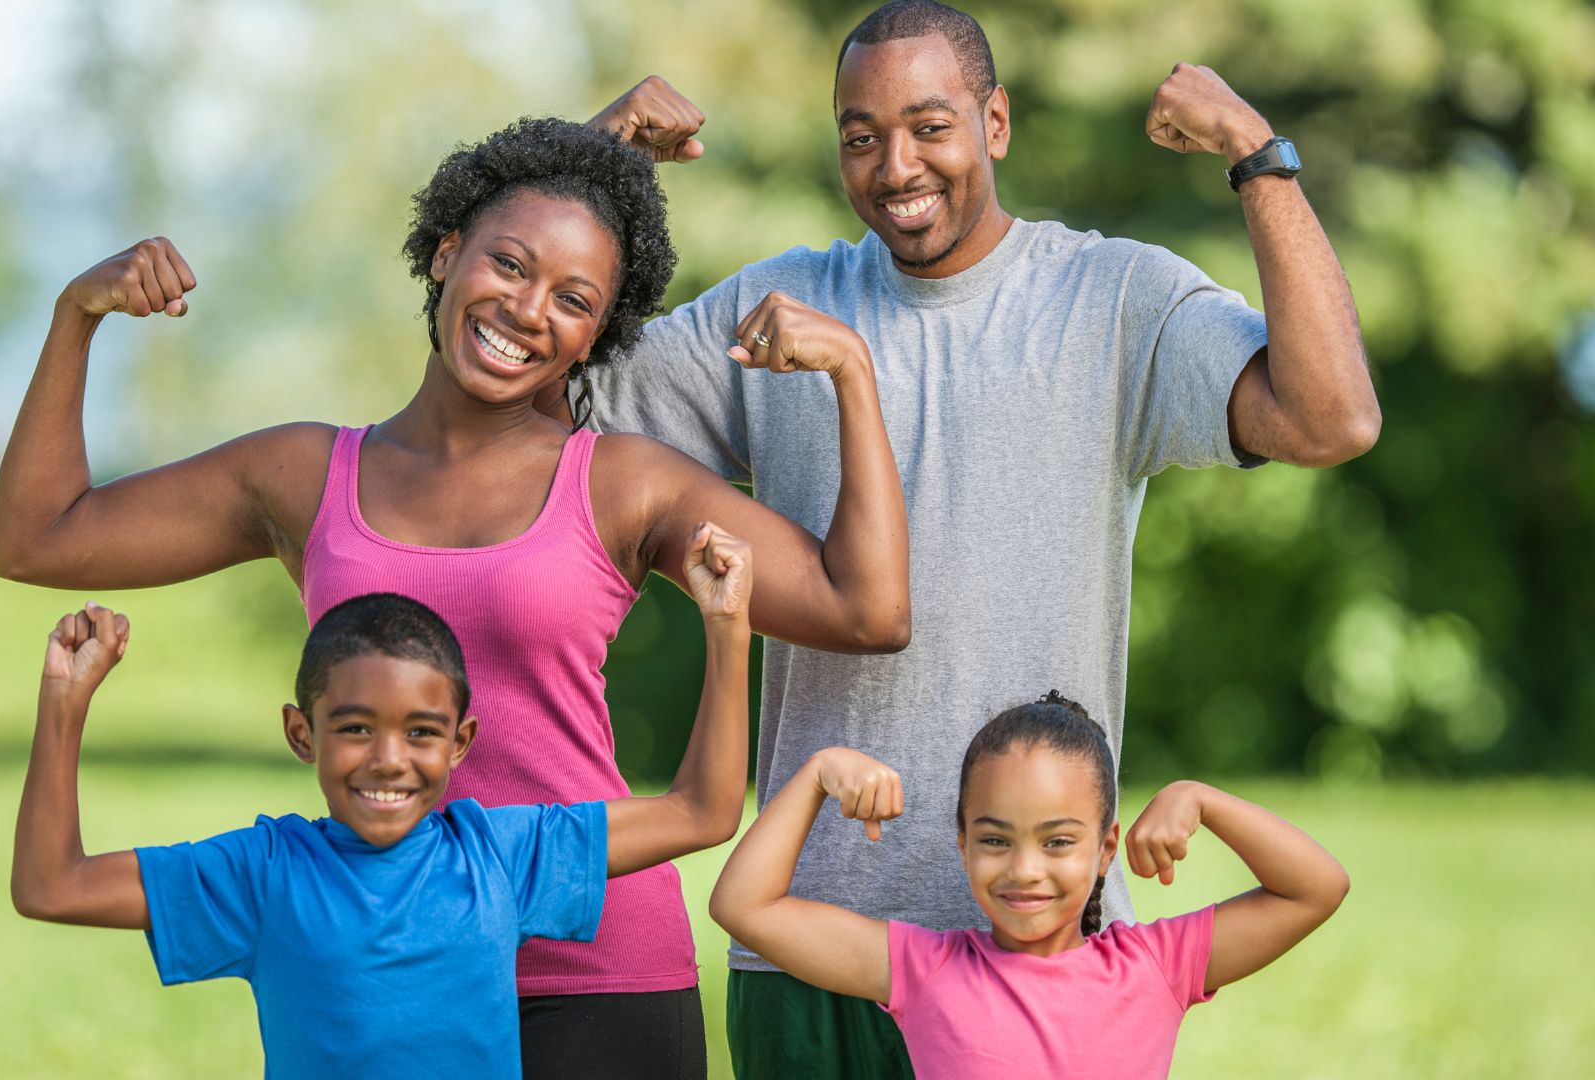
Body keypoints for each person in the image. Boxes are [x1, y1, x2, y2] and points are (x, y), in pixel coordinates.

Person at [0, 118, 910, 1076]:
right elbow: (34, 539)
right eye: (507, 264)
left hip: (600, 976)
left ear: (599, 333)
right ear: (443, 251)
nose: (526, 308)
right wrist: (75, 317)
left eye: (573, 299)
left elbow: (865, 609)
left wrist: (851, 371)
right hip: (383, 974)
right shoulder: (304, 474)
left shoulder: (625, 483)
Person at [578, 3, 1379, 1070]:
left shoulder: (1114, 299)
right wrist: (591, 173)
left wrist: (1256, 156)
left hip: (1041, 964)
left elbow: (1332, 419)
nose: (894, 165)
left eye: (929, 127)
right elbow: (545, 398)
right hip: (808, 939)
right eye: (860, 137)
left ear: (995, 123)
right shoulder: (781, 305)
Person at [10, 522, 754, 1078]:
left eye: (421, 732)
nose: (389, 758)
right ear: (303, 734)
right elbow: (52, 885)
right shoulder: (263, 873)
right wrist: (65, 702)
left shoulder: (499, 856)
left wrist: (725, 626)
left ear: (459, 744)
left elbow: (703, 811)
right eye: (356, 728)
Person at [708, 692, 1349, 1078]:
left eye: (1058, 841)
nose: (1024, 869)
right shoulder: (923, 969)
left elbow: (1316, 887)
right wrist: (819, 771)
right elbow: (743, 905)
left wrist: (1201, 799)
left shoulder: (1154, 967)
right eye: (995, 839)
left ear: (1105, 850)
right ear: (962, 845)